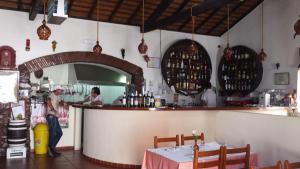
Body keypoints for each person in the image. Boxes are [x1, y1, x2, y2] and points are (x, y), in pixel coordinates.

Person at [46, 85, 64, 157]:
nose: (61, 91)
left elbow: (60, 102)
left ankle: (52, 148)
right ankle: (51, 150)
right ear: (57, 89)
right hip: (51, 116)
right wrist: (53, 109)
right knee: (52, 133)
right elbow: (48, 101)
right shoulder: (51, 94)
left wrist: (62, 102)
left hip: (54, 117)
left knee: (59, 133)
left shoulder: (57, 96)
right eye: (60, 90)